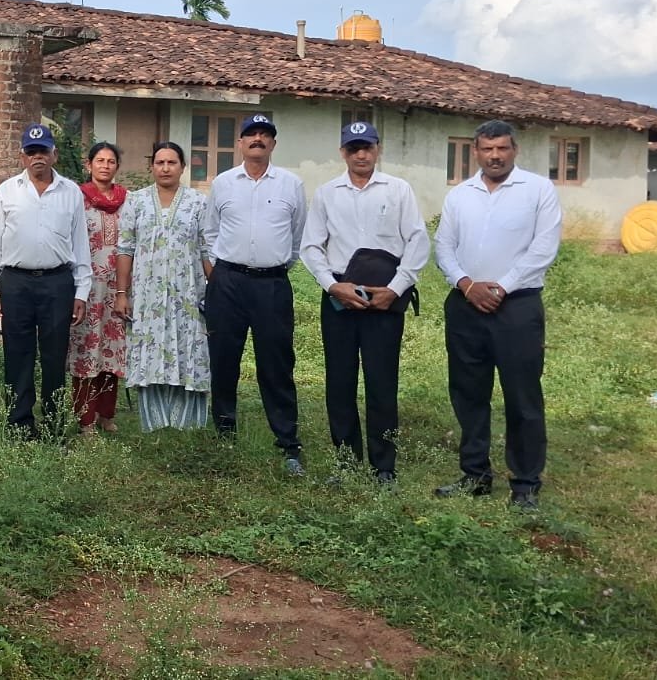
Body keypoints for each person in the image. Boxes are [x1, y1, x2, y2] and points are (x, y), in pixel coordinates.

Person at [434, 119, 562, 509]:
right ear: (475, 152)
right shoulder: (460, 195)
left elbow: (543, 248)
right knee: (468, 393)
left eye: (502, 148)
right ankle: (475, 474)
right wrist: (466, 284)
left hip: (516, 307)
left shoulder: (538, 190)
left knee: (522, 396)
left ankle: (525, 483)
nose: (495, 156)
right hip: (465, 305)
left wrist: (501, 287)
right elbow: (444, 246)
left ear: (514, 150)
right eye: (487, 149)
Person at [301, 122, 429, 484]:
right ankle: (346, 462)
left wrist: (397, 288)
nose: (361, 155)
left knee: (382, 382)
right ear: (343, 152)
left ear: (378, 150)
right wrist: (332, 286)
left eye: (367, 147)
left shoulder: (398, 190)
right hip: (340, 299)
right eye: (354, 148)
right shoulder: (327, 193)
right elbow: (311, 246)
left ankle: (383, 466)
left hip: (384, 301)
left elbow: (417, 241)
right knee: (339, 382)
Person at [202, 113, 308, 475]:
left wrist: (272, 267)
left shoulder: (291, 185)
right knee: (223, 358)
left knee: (276, 363)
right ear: (240, 143)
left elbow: (297, 237)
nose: (257, 139)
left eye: (265, 134)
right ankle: (224, 431)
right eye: (251, 134)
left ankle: (287, 441)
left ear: (273, 143)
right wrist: (222, 272)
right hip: (228, 282)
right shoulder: (223, 183)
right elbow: (210, 232)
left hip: (272, 285)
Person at [0, 123, 91, 440]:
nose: (37, 157)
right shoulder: (7, 191)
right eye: (31, 152)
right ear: (22, 156)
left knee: (55, 355)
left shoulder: (71, 192)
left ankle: (54, 423)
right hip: (16, 282)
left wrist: (81, 292)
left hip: (57, 283)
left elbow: (80, 244)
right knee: (18, 354)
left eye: (43, 151)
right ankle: (19, 423)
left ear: (54, 154)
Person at [112, 142, 214, 430]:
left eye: (172, 162)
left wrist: (217, 293)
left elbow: (206, 249)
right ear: (152, 167)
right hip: (148, 295)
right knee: (151, 348)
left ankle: (188, 421)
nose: (165, 168)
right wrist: (122, 293)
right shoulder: (136, 201)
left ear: (182, 167)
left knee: (188, 347)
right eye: (160, 162)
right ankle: (154, 420)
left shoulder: (198, 202)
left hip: (188, 294)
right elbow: (125, 249)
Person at [68, 141, 129, 434]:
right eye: (100, 160)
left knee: (112, 350)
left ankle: (107, 414)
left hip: (117, 288)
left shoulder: (127, 201)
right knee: (86, 350)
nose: (105, 165)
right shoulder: (76, 198)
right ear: (89, 164)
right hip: (87, 288)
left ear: (117, 166)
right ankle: (85, 419)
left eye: (111, 161)